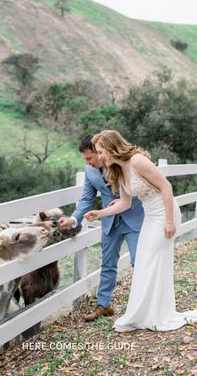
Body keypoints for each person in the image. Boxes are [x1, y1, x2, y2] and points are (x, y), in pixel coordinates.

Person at [85, 130, 197, 331]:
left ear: (112, 148)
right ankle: (144, 314)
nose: (100, 157)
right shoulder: (118, 171)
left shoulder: (137, 161)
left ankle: (158, 314)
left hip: (165, 213)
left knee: (152, 261)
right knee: (145, 262)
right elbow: (125, 204)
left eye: (101, 152)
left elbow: (166, 187)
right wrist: (100, 213)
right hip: (150, 216)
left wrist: (169, 221)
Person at [58, 134, 144, 321]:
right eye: (85, 159)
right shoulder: (89, 171)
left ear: (100, 151)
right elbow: (87, 198)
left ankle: (141, 306)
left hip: (134, 218)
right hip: (109, 220)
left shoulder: (121, 163)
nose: (88, 163)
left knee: (139, 262)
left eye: (90, 157)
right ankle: (104, 305)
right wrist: (73, 220)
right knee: (107, 264)